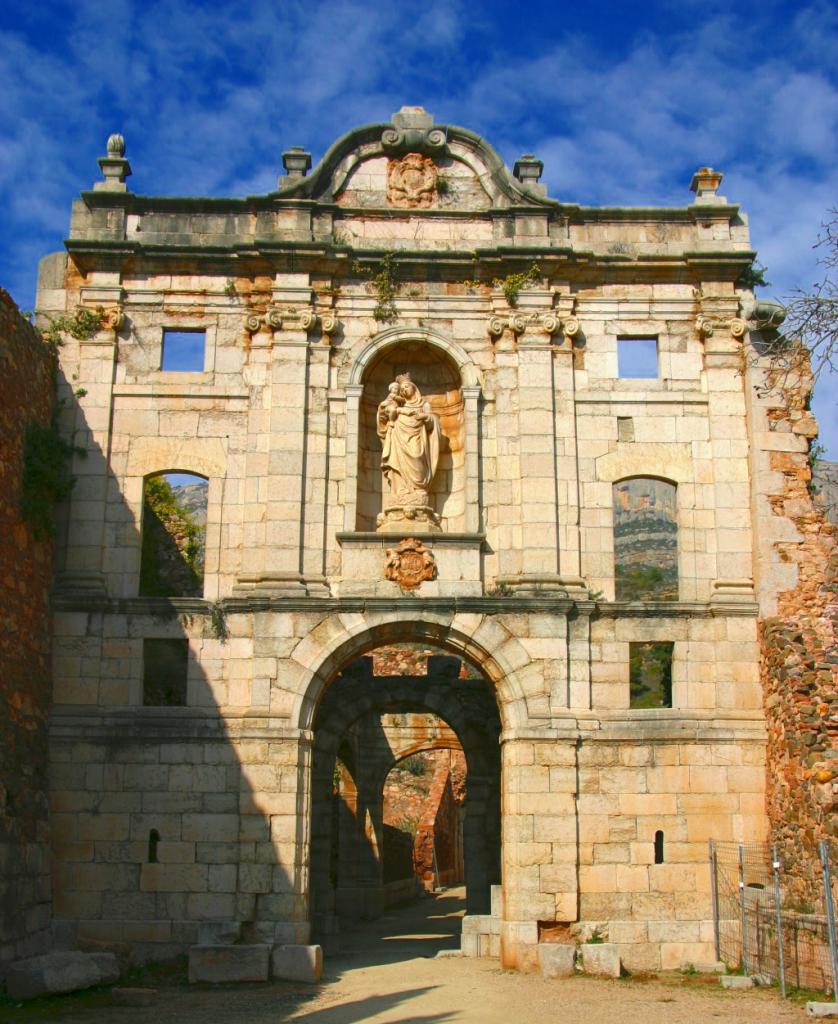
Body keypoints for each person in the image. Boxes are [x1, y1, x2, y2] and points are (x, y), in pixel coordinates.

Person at [377, 373, 440, 509]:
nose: (404, 390)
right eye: (402, 388)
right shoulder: (397, 404)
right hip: (398, 437)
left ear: (414, 388)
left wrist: (424, 417)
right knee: (397, 463)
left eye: (407, 386)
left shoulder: (424, 405)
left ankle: (418, 490)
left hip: (417, 438)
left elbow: (433, 422)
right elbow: (384, 416)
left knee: (418, 460)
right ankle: (400, 491)